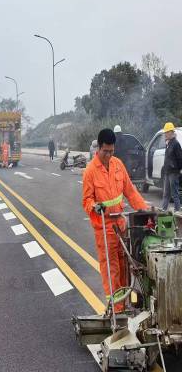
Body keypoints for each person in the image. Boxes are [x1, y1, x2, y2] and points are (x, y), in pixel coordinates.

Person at [82, 129, 147, 313]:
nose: (109, 155)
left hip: (120, 223)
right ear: (99, 148)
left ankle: (126, 303)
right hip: (104, 226)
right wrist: (94, 206)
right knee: (112, 269)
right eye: (105, 151)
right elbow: (86, 200)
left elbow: (130, 191)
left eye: (112, 151)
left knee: (126, 265)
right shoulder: (90, 171)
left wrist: (144, 210)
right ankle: (116, 310)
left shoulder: (118, 165)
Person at [162, 122, 182, 212]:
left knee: (175, 194)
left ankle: (177, 212)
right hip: (167, 172)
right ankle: (163, 210)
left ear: (171, 132)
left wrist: (179, 169)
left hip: (174, 172)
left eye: (166, 132)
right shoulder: (168, 143)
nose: (165, 134)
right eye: (165, 132)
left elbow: (180, 158)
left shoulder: (176, 144)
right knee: (166, 193)